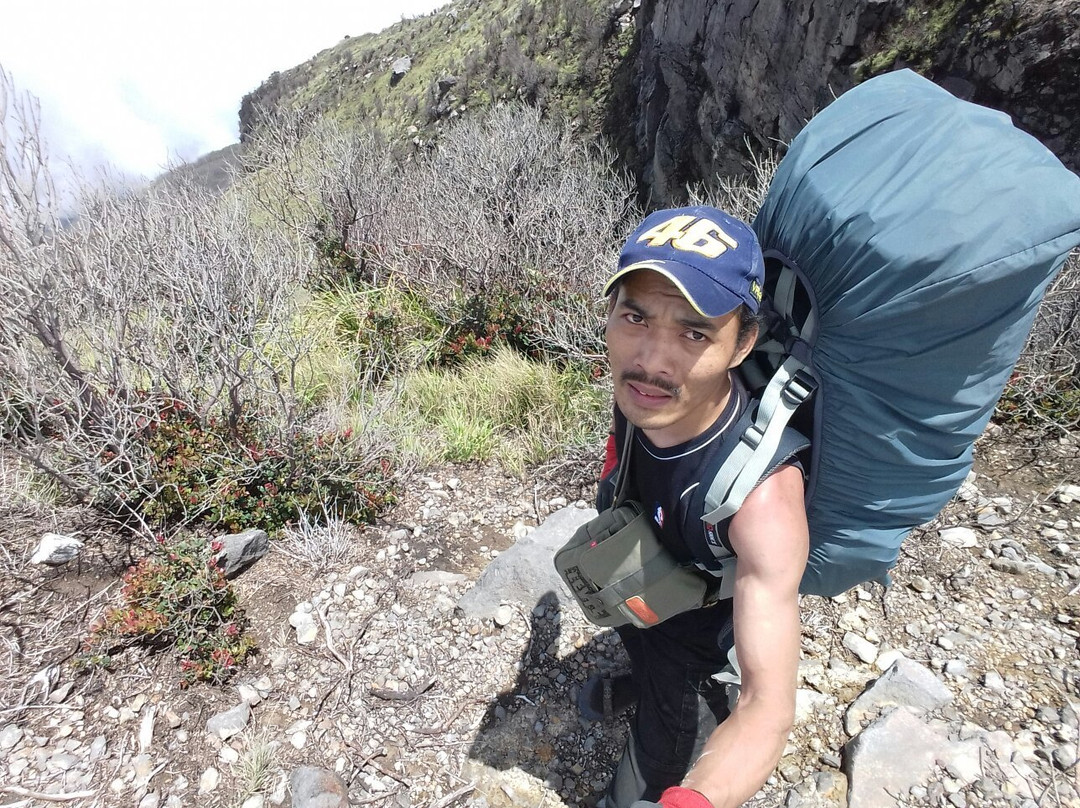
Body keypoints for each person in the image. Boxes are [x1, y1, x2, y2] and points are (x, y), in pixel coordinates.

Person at [589, 205, 810, 808]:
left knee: (656, 764)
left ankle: (658, 745)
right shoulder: (641, 396)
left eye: (694, 333)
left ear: (742, 343)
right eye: (636, 316)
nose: (653, 361)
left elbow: (768, 706)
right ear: (611, 315)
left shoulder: (761, 499)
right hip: (652, 585)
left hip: (699, 643)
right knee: (638, 636)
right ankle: (642, 680)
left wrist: (694, 801)